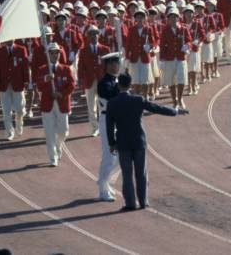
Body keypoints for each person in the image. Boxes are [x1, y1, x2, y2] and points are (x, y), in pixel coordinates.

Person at [106, 73, 188, 211]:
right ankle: (143, 201)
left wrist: (112, 143)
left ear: (118, 85)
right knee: (141, 173)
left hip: (123, 143)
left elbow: (109, 126)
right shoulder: (138, 100)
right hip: (139, 141)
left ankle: (130, 203)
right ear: (131, 85)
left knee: (127, 175)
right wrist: (175, 111)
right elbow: (156, 108)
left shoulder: (112, 103)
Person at [37, 42, 76, 167]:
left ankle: (59, 146)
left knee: (64, 131)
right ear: (48, 55)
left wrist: (61, 94)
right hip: (47, 104)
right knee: (49, 133)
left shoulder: (65, 69)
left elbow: (72, 85)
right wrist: (45, 79)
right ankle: (52, 157)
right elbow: (38, 85)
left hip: (62, 103)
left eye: (57, 52)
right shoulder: (43, 69)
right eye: (52, 53)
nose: (55, 55)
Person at [96, 52, 121, 202]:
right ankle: (102, 190)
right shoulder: (104, 82)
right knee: (109, 157)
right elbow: (111, 97)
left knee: (120, 157)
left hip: (118, 120)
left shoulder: (117, 81)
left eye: (117, 63)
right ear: (107, 66)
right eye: (112, 63)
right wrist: (120, 86)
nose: (115, 66)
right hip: (107, 120)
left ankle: (105, 181)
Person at [77, 25, 109, 137]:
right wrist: (80, 79)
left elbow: (108, 67)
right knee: (91, 106)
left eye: (95, 33)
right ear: (87, 36)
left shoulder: (105, 49)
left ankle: (104, 126)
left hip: (102, 81)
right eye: (91, 34)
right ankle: (95, 128)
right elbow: (80, 66)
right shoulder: (83, 51)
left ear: (98, 35)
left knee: (103, 105)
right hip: (89, 81)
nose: (93, 36)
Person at [0, 40, 29, 140]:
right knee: (6, 111)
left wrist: (26, 80)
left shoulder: (21, 50)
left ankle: (19, 125)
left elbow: (25, 66)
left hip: (18, 84)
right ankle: (9, 132)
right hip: (4, 85)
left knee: (20, 110)